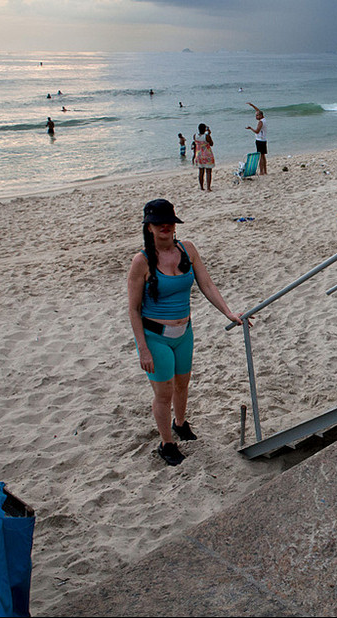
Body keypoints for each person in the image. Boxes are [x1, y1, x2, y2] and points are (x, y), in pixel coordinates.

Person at [127, 199, 248, 466]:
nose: (165, 227)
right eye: (158, 223)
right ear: (149, 227)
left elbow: (206, 283)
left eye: (169, 222)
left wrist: (228, 312)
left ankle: (180, 424)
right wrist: (143, 348)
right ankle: (166, 443)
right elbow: (134, 309)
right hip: (155, 337)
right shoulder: (141, 261)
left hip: (184, 333)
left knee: (183, 385)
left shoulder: (188, 249)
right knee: (164, 393)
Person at [246, 103, 269, 175]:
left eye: (257, 115)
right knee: (263, 156)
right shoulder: (264, 119)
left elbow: (257, 131)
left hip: (260, 140)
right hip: (263, 139)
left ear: (261, 116)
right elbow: (258, 110)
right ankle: (265, 171)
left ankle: (262, 171)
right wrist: (252, 106)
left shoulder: (261, 122)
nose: (256, 116)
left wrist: (250, 128)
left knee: (261, 156)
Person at [193, 123, 215, 190]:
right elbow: (211, 144)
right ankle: (208, 187)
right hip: (207, 154)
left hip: (199, 155)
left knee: (201, 171)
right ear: (205, 129)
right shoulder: (207, 136)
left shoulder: (195, 136)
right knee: (208, 171)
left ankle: (201, 187)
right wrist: (208, 134)